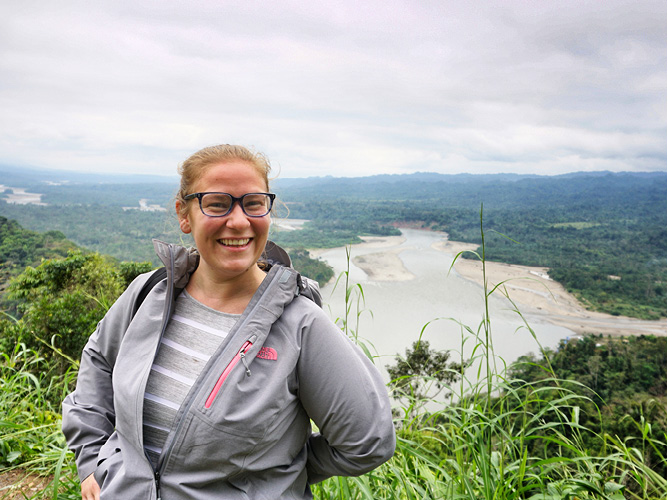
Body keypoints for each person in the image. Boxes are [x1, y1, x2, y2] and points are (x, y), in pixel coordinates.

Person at [62, 144, 396, 499]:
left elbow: (368, 442)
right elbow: (98, 364)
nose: (238, 221)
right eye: (217, 203)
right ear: (184, 214)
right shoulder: (150, 294)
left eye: (253, 203)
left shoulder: (301, 326)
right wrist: (92, 460)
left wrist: (274, 475)